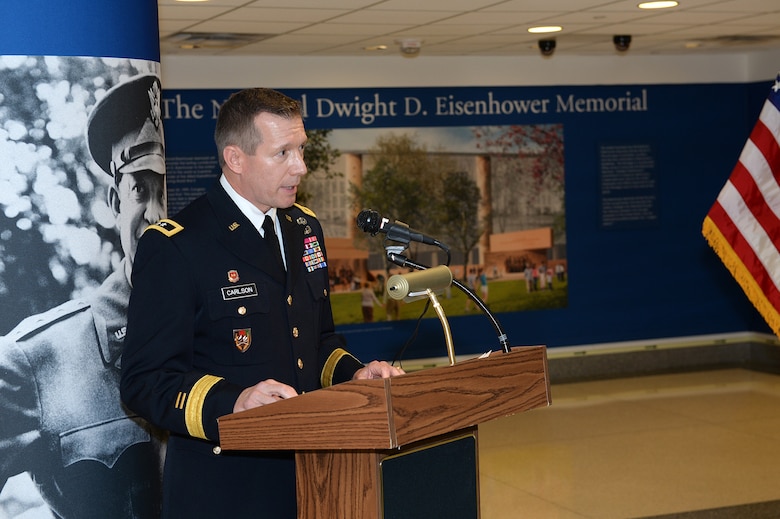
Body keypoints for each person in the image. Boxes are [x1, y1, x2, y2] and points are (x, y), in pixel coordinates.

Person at [119, 87, 404, 518]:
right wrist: (233, 401)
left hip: (317, 477)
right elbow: (145, 381)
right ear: (236, 159)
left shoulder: (304, 227)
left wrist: (355, 373)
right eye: (283, 153)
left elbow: (317, 340)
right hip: (226, 489)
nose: (301, 167)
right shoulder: (178, 246)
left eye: (301, 150)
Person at [0, 74, 166, 518]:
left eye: (166, 191)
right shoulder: (36, 359)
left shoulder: (221, 328)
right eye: (139, 190)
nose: (155, 213)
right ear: (115, 203)